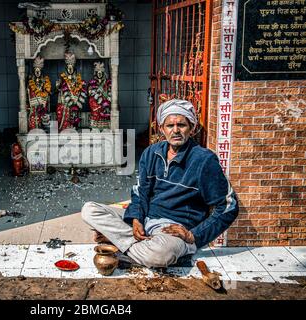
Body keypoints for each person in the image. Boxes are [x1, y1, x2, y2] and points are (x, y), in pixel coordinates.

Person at [81, 99, 239, 268]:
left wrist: (193, 235)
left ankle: (123, 245)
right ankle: (138, 248)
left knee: (160, 254)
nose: (176, 130)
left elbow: (229, 206)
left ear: (191, 128)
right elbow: (140, 192)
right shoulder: (151, 153)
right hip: (147, 222)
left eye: (182, 125)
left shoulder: (204, 160)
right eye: (170, 126)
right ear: (162, 129)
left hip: (173, 233)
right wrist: (137, 219)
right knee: (89, 210)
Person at [56, 51, 87, 132]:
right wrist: (58, 85)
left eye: (71, 66)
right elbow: (58, 88)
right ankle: (63, 129)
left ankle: (73, 128)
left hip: (74, 100)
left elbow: (80, 87)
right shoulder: (62, 76)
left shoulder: (77, 77)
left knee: (73, 115)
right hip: (64, 100)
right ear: (66, 67)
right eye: (68, 66)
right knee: (63, 114)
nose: (70, 69)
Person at [27, 56, 51, 131]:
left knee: (43, 116)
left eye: (39, 70)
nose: (37, 72)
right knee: (33, 116)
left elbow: (47, 91)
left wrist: (44, 101)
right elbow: (28, 91)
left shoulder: (44, 79)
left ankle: (42, 129)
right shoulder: (30, 79)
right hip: (33, 103)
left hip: (42, 103)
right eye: (36, 70)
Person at [88, 61, 111, 130]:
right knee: (95, 107)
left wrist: (108, 96)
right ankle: (95, 128)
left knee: (106, 109)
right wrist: (95, 95)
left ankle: (105, 127)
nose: (99, 74)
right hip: (96, 101)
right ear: (96, 73)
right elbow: (90, 92)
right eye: (98, 73)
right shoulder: (92, 82)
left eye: (101, 73)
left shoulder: (107, 82)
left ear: (103, 73)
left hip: (105, 100)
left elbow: (110, 91)